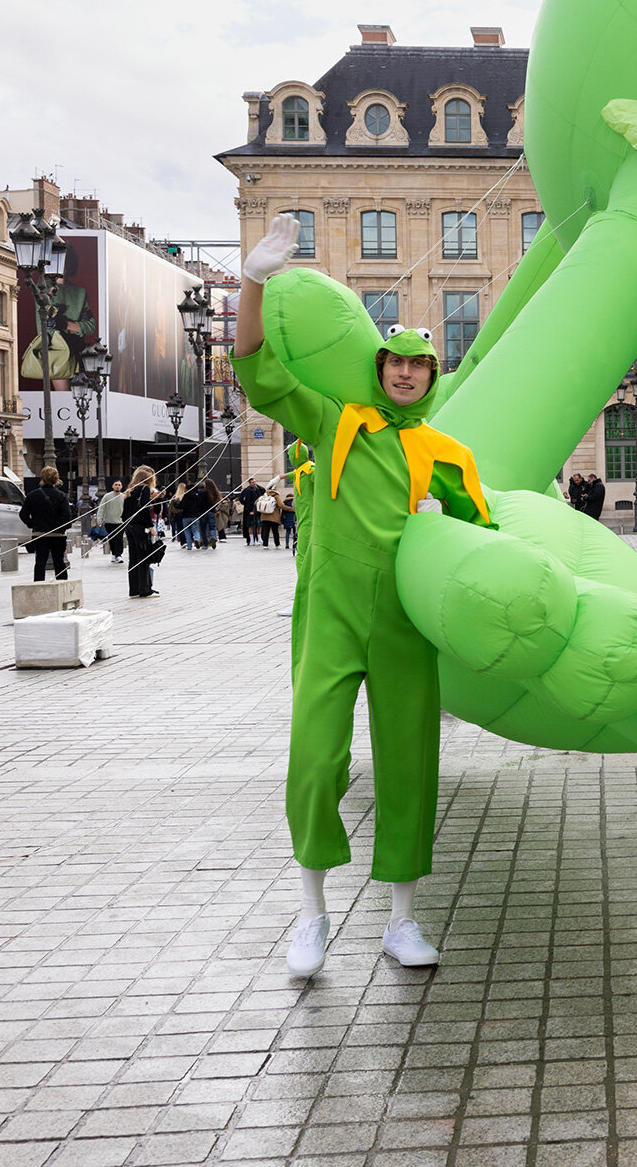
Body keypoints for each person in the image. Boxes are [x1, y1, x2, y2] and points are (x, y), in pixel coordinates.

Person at [234, 213, 495, 979]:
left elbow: (486, 537)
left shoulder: (447, 451)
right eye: (395, 364)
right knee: (314, 759)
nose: (406, 374)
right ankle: (310, 913)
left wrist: (448, 525)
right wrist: (252, 281)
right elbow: (254, 369)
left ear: (432, 375)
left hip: (403, 629)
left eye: (418, 366)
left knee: (408, 768)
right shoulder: (333, 420)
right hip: (333, 619)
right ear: (380, 369)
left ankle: (402, 920)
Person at [21, 466, 73, 581]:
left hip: (39, 534)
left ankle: (38, 586)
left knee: (40, 562)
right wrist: (62, 528)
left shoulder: (32, 495)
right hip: (58, 535)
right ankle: (62, 585)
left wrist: (32, 524)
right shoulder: (61, 496)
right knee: (59, 562)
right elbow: (67, 516)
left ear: (42, 478)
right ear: (56, 479)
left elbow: (23, 514)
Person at [122, 465, 162, 598]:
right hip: (140, 527)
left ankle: (134, 590)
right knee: (143, 558)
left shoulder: (130, 490)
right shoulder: (144, 489)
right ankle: (145, 589)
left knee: (133, 558)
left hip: (130, 527)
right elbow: (144, 510)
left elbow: (126, 513)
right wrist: (150, 526)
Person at [95, 479, 127, 562]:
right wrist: (99, 519)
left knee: (119, 539)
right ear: (113, 486)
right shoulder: (107, 496)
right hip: (109, 522)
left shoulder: (124, 496)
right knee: (112, 539)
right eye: (116, 484)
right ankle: (113, 554)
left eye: (119, 485)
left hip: (120, 522)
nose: (117, 486)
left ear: (121, 487)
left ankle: (118, 555)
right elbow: (101, 508)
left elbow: (127, 509)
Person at [239, 478, 264, 545]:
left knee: (258, 525)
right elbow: (244, 500)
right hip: (250, 511)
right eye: (253, 482)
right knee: (251, 526)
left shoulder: (259, 489)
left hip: (258, 510)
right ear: (250, 483)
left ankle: (259, 538)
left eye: (255, 482)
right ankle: (251, 540)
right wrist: (250, 510)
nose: (254, 483)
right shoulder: (247, 490)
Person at [201, 479, 222, 548]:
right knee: (212, 527)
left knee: (203, 528)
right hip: (212, 512)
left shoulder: (202, 493)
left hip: (203, 512)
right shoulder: (215, 493)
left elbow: (199, 503)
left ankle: (205, 544)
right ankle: (213, 536)